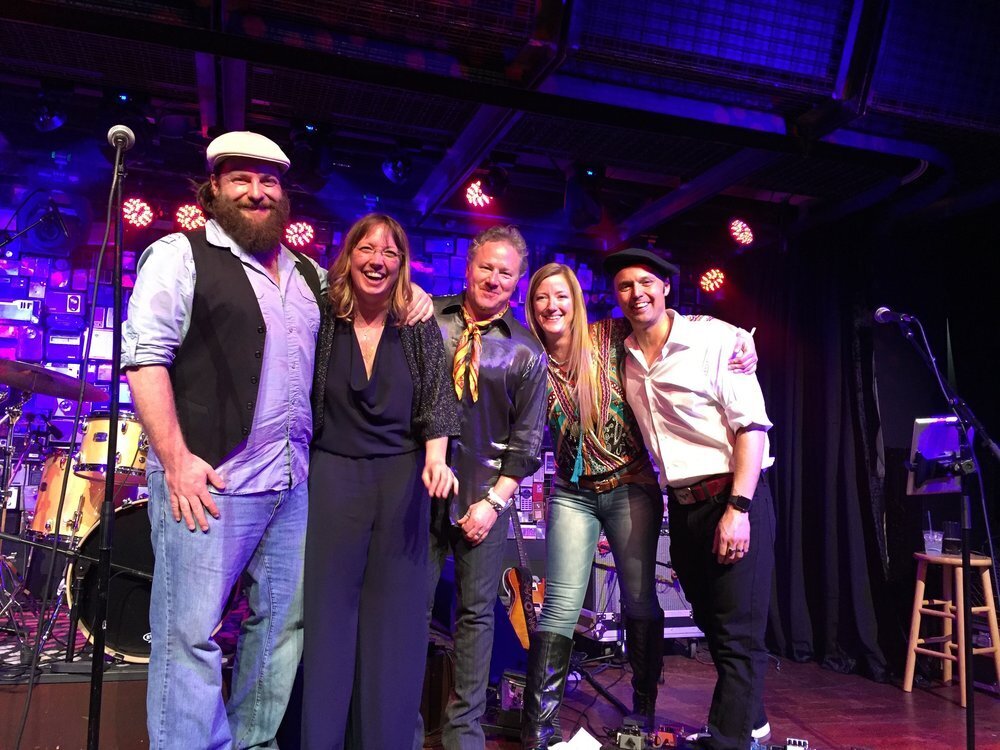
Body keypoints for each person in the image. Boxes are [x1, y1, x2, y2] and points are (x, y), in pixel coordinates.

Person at [123, 131, 324, 749]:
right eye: (241, 179)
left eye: (268, 181)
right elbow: (145, 358)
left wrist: (416, 295)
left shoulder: (308, 273)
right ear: (213, 188)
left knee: (282, 626)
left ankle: (252, 742)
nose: (256, 192)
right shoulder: (179, 255)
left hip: (291, 482)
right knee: (190, 634)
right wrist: (176, 460)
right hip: (212, 480)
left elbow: (373, 299)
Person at [520, 263, 756, 748]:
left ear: (576, 302)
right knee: (560, 605)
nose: (552, 306)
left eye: (561, 296)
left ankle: (643, 709)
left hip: (630, 487)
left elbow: (677, 324)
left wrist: (740, 339)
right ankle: (538, 728)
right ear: (531, 305)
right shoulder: (528, 359)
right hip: (572, 492)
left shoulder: (609, 338)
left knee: (639, 599)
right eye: (542, 297)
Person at [605, 247, 775, 750]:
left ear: (665, 287)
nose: (636, 293)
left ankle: (727, 740)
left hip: (732, 495)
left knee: (738, 632)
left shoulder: (716, 339)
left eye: (646, 282)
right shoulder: (624, 354)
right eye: (625, 286)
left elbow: (752, 427)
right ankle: (753, 724)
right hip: (683, 507)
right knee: (712, 623)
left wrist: (739, 510)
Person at [302, 213, 461, 749]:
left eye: (390, 253)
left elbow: (439, 399)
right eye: (367, 249)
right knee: (329, 617)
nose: (378, 261)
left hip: (402, 482)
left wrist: (437, 460)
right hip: (332, 477)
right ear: (349, 255)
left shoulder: (416, 321)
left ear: (402, 264)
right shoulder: (323, 312)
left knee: (395, 625)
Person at [422, 225, 548, 750]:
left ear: (517, 282)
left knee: (476, 619)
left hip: (483, 502)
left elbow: (527, 442)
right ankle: (400, 725)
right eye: (486, 267)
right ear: (469, 266)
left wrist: (493, 503)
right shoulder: (427, 319)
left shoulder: (526, 351)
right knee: (410, 610)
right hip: (418, 493)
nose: (494, 279)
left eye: (506, 273)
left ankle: (463, 736)